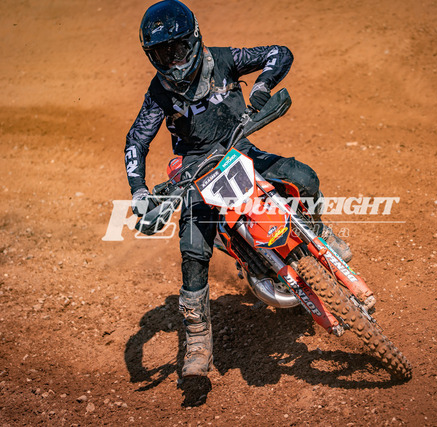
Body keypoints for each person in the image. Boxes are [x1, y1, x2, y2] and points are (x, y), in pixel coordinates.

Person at [124, 0, 352, 377]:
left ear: (195, 38)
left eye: (179, 48)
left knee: (303, 178)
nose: (174, 60)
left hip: (239, 146)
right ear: (152, 56)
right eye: (164, 53)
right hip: (196, 168)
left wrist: (262, 85)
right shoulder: (159, 92)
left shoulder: (224, 59)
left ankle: (319, 232)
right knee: (193, 252)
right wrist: (139, 192)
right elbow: (136, 139)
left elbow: (279, 52)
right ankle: (198, 342)